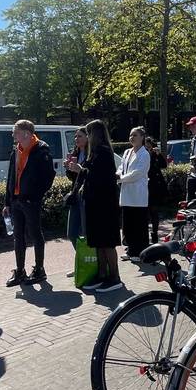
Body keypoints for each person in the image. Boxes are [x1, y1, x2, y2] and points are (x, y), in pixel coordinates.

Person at [67, 119, 122, 292]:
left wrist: (80, 170)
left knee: (107, 242)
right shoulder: (95, 152)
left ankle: (114, 277)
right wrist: (79, 171)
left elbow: (101, 177)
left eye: (89, 133)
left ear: (95, 134)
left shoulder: (103, 152)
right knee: (98, 241)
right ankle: (102, 274)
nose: (87, 137)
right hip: (95, 204)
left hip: (104, 205)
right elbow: (90, 174)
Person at [4, 119, 54, 287]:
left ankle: (39, 270)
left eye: (15, 132)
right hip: (16, 200)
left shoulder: (41, 150)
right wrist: (7, 202)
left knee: (35, 234)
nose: (13, 135)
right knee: (18, 237)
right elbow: (11, 177)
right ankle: (20, 271)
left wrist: (34, 196)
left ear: (26, 133)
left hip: (30, 201)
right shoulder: (16, 151)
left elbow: (48, 177)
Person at [118, 127, 151, 261]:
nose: (132, 137)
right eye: (131, 135)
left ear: (142, 137)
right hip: (126, 194)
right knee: (128, 225)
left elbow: (138, 173)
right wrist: (118, 174)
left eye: (135, 135)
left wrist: (121, 178)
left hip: (138, 195)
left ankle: (140, 252)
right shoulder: (127, 152)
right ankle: (131, 250)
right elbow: (121, 168)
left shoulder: (145, 154)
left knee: (139, 225)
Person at [64, 126, 89, 244]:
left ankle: (92, 260)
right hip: (75, 194)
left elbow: (91, 176)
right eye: (75, 136)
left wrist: (80, 170)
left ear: (88, 137)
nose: (76, 139)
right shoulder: (75, 153)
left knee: (86, 231)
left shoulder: (92, 154)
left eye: (79, 136)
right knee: (72, 233)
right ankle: (82, 258)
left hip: (87, 196)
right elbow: (73, 178)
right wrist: (68, 168)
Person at [145, 136, 169, 240]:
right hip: (144, 185)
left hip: (154, 186)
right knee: (145, 211)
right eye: (146, 144)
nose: (148, 146)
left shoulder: (155, 154)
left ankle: (154, 233)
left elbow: (163, 165)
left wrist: (159, 155)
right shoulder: (141, 153)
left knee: (154, 211)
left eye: (149, 144)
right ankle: (144, 234)